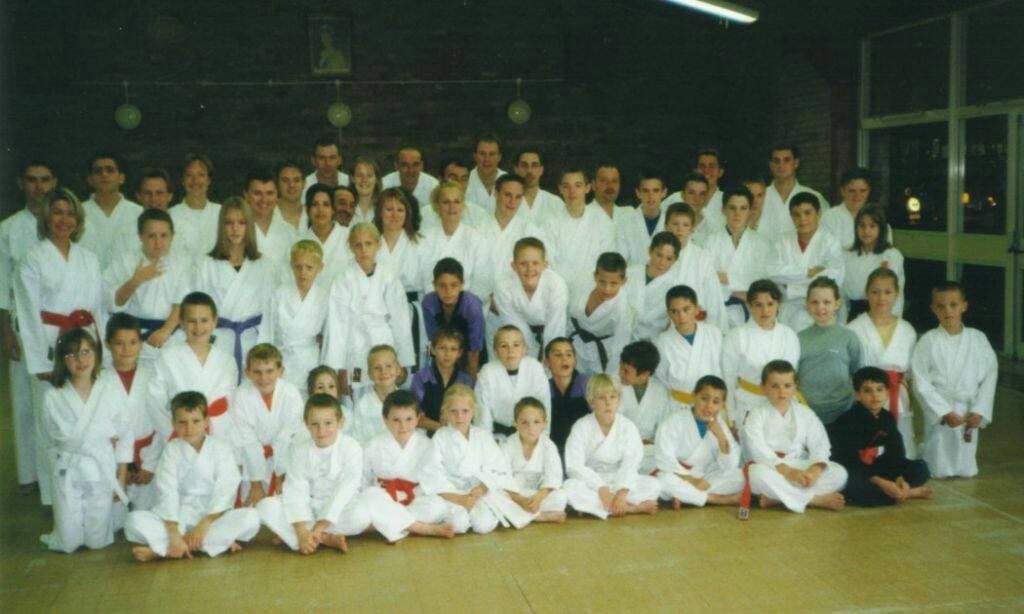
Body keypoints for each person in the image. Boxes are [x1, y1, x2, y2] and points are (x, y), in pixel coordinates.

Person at [15, 188, 103, 506]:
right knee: (50, 421)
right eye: (56, 212)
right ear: (45, 217)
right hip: (50, 343)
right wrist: (40, 362)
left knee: (84, 414)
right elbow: (26, 312)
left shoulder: (88, 259)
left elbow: (98, 309)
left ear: (77, 219)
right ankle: (55, 497)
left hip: (85, 343)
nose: (63, 220)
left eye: (69, 213)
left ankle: (89, 489)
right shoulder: (31, 261)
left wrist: (99, 349)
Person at [125, 391, 260, 561]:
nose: (189, 428)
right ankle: (203, 544)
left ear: (206, 422)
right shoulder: (171, 449)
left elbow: (226, 490)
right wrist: (173, 532)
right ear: (173, 423)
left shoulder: (222, 448)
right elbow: (167, 491)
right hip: (178, 514)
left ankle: (164, 550)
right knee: (133, 520)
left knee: (251, 518)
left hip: (211, 515)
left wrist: (205, 523)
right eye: (182, 422)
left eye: (196, 421)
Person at [41, 329, 131, 553]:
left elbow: (126, 431)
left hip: (99, 463)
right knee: (69, 536)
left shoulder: (109, 388)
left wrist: (121, 473)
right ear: (62, 360)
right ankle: (66, 534)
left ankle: (97, 534)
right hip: (67, 464)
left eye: (85, 352)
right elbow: (47, 434)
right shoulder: (53, 395)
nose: (80, 360)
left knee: (97, 534)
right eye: (71, 355)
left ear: (97, 354)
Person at [1, 159, 57, 494]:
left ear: (54, 182)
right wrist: (6, 330)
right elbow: (2, 283)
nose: (39, 186)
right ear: (21, 183)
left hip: (56, 325)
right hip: (21, 324)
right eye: (32, 180)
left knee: (53, 402)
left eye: (45, 180)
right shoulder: (8, 228)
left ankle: (53, 470)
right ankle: (29, 475)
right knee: (24, 400)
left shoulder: (62, 223)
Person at [256, 393, 368, 554]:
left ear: (340, 422)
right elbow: (295, 488)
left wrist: (319, 527)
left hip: (339, 507)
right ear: (306, 425)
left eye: (328, 423)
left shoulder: (351, 447)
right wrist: (301, 530)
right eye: (314, 424)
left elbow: (345, 489)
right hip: (308, 505)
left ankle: (307, 537)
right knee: (265, 507)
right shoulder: (299, 448)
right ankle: (323, 539)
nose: (321, 430)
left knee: (361, 517)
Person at [911, 282, 998, 478]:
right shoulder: (928, 340)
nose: (947, 311)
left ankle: (964, 466)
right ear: (933, 309)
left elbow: (990, 377)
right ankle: (933, 463)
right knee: (938, 462)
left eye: (953, 304)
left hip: (968, 407)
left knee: (965, 465)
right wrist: (944, 412)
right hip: (942, 406)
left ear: (964, 306)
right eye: (940, 306)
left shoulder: (978, 338)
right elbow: (920, 381)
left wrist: (979, 410)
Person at [420, 384, 533, 534]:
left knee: (483, 526)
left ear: (473, 412)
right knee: (458, 525)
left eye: (465, 411)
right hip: (452, 494)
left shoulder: (483, 436)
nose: (459, 416)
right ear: (445, 412)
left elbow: (497, 467)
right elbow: (433, 473)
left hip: (479, 491)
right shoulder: (441, 437)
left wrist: (481, 488)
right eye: (453, 411)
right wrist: (459, 499)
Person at [742, 360, 847, 515]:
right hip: (773, 467)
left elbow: (821, 444)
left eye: (787, 385)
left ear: (795, 386)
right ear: (763, 387)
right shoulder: (756, 414)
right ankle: (814, 500)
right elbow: (757, 450)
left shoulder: (805, 412)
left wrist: (814, 471)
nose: (781, 391)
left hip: (799, 464)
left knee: (840, 473)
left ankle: (780, 497)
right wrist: (789, 472)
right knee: (756, 474)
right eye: (775, 386)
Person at [322, 223, 414, 395]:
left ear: (378, 245)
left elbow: (400, 321)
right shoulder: (343, 280)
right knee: (357, 386)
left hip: (384, 343)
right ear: (350, 247)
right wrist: (340, 368)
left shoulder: (389, 277)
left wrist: (403, 360)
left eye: (368, 244)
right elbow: (338, 326)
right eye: (358, 245)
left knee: (387, 392)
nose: (363, 250)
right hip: (355, 350)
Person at [358, 390, 457, 541]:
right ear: (385, 420)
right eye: (396, 420)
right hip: (384, 497)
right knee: (369, 496)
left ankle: (381, 525)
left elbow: (432, 479)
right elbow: (363, 479)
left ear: (418, 419)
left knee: (438, 507)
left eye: (409, 419)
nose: (403, 426)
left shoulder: (427, 445)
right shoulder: (372, 445)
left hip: (414, 499)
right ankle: (422, 528)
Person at [828, 367, 933, 506]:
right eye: (867, 391)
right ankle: (908, 493)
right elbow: (849, 460)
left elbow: (895, 450)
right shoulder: (847, 420)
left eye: (880, 389)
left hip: (879, 466)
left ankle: (900, 491)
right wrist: (881, 482)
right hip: (855, 469)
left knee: (921, 468)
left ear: (887, 393)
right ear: (857, 395)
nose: (875, 395)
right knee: (864, 493)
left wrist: (899, 477)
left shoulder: (887, 417)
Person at [147, 292, 238, 448]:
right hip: (181, 434)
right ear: (181, 323)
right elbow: (155, 401)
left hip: (219, 435)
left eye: (204, 320)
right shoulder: (168, 358)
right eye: (192, 321)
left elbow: (232, 403)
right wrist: (174, 431)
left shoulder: (227, 361)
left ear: (214, 321)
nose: (198, 327)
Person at [196, 197, 275, 376]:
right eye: (229, 223)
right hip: (218, 340)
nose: (235, 228)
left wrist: (266, 346)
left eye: (241, 223)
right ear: (221, 227)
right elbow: (199, 310)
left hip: (253, 340)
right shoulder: (206, 264)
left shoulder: (263, 264)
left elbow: (270, 312)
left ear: (249, 226)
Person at [563, 374, 660, 519]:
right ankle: (631, 508)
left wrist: (621, 492)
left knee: (654, 485)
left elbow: (631, 463)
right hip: (592, 481)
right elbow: (574, 465)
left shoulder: (627, 426)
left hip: (618, 478)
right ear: (591, 402)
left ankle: (601, 508)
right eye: (602, 398)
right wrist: (601, 489)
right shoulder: (581, 427)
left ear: (618, 400)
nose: (608, 403)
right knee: (569, 488)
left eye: (612, 397)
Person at [847, 268, 918, 459]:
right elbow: (849, 367)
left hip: (896, 394)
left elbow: (911, 370)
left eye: (888, 292)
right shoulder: (853, 328)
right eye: (875, 292)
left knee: (900, 443)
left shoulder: (907, 329)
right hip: (866, 393)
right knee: (868, 442)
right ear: (866, 293)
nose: (881, 298)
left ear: (897, 294)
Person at [103, 208, 189, 365]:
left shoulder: (181, 264)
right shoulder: (125, 262)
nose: (158, 242)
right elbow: (113, 302)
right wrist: (136, 280)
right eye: (151, 236)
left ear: (172, 236)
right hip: (132, 338)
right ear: (140, 236)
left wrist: (165, 332)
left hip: (171, 336)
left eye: (164, 235)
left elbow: (181, 303)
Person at [232, 343, 305, 507]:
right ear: (247, 372)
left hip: (285, 458)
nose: (263, 378)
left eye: (269, 371)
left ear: (281, 370)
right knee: (250, 506)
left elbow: (287, 437)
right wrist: (256, 483)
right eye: (257, 372)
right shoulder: (241, 395)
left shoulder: (290, 393)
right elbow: (247, 440)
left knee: (288, 503)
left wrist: (280, 474)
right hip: (249, 459)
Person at [721, 280, 800, 431]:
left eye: (770, 304)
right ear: (750, 306)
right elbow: (728, 381)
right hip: (749, 403)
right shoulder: (736, 336)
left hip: (783, 404)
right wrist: (730, 417)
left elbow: (791, 376)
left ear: (779, 305)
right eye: (758, 305)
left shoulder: (790, 336)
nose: (765, 311)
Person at [654, 375, 742, 508]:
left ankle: (686, 496)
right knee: (663, 480)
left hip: (705, 478)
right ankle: (714, 499)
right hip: (680, 476)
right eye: (704, 399)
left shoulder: (720, 425)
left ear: (722, 405)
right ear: (694, 396)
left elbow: (730, 466)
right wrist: (691, 480)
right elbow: (663, 457)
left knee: (740, 476)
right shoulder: (675, 421)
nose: (709, 406)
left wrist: (721, 438)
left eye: (716, 402)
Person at [103, 314, 160, 512]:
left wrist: (150, 465)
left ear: (141, 344)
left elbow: (161, 426)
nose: (126, 349)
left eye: (133, 342)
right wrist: (120, 469)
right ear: (107, 344)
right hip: (110, 460)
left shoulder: (153, 378)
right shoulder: (99, 380)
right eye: (119, 343)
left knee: (148, 514)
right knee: (113, 521)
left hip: (147, 456)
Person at [258, 240, 329, 393]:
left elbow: (329, 334)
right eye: (298, 267)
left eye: (309, 267)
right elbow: (266, 332)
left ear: (320, 268)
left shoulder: (325, 297)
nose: (303, 272)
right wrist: (264, 364)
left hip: (310, 361)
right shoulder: (279, 294)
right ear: (291, 266)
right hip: (282, 361)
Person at [767, 192, 844, 331]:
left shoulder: (830, 242)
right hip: (787, 313)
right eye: (796, 214)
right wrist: (808, 272)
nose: (802, 219)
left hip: (821, 311)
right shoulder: (782, 241)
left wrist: (790, 287)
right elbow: (773, 272)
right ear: (791, 217)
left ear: (819, 213)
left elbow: (833, 278)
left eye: (807, 213)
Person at [476, 174, 548, 310]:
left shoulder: (530, 230)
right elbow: (470, 269)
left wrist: (518, 297)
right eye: (507, 195)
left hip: (519, 304)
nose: (512, 202)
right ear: (496, 194)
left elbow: (541, 268)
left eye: (518, 197)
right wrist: (487, 298)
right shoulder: (478, 229)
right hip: (485, 305)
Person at [797, 277, 862, 426]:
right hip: (806, 411)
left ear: (837, 304)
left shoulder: (849, 337)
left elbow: (857, 373)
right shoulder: (799, 338)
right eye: (814, 302)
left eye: (826, 302)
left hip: (842, 412)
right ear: (807, 304)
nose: (820, 307)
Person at [704, 186, 772, 328]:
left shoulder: (762, 243)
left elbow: (763, 281)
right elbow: (706, 279)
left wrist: (725, 278)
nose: (737, 214)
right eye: (732, 208)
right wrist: (738, 292)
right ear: (723, 210)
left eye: (743, 208)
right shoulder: (710, 241)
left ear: (751, 211)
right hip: (717, 312)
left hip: (752, 313)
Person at [494, 237, 569, 360]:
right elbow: (516, 328)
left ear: (545, 264)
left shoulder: (556, 285)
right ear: (514, 266)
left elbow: (555, 329)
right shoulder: (503, 287)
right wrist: (531, 361)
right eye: (523, 264)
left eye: (535, 263)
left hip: (552, 330)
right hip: (521, 337)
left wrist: (549, 360)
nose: (530, 269)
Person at [374, 188, 425, 365]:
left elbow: (428, 285)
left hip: (409, 310)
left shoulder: (420, 243)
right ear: (380, 212)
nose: (394, 214)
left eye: (400, 209)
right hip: (376, 311)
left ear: (407, 214)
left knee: (406, 364)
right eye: (389, 209)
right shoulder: (370, 244)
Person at [548, 168, 615, 299]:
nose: (572, 192)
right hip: (559, 293)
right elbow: (548, 262)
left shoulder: (603, 222)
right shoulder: (549, 223)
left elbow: (607, 261)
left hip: (593, 292)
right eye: (566, 186)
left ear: (588, 188)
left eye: (578, 185)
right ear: (560, 189)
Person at [653, 285, 723, 408]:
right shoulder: (661, 342)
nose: (681, 317)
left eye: (686, 309)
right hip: (678, 405)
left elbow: (726, 370)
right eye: (675, 311)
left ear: (697, 309)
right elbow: (660, 379)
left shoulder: (714, 334)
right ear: (668, 313)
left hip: (712, 406)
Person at [502, 397, 568, 523]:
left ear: (545, 423)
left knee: (561, 497)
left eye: (536, 422)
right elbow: (502, 477)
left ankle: (522, 516)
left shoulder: (548, 446)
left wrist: (538, 498)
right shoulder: (508, 445)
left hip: (537, 494)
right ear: (515, 423)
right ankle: (540, 516)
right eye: (524, 422)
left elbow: (553, 477)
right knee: (494, 496)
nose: (531, 427)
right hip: (515, 495)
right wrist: (519, 499)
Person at [476, 325, 551, 437]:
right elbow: (483, 416)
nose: (510, 350)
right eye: (503, 346)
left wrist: (542, 439)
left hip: (531, 434)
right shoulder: (487, 372)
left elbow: (545, 408)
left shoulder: (535, 368)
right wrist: (487, 445)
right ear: (495, 351)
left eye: (516, 345)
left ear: (525, 349)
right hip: (498, 436)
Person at [663, 203, 728, 331]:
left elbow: (713, 297)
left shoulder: (702, 257)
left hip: (696, 324)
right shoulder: (658, 255)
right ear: (666, 226)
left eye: (685, 225)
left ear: (692, 228)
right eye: (675, 224)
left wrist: (716, 331)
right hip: (661, 324)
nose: (679, 229)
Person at [569, 252, 635, 375]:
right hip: (574, 348)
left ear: (624, 281)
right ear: (595, 276)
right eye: (602, 282)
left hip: (600, 358)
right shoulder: (582, 286)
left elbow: (619, 348)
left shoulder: (623, 310)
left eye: (613, 283)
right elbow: (569, 318)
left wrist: (608, 378)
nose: (607, 289)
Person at [421, 258, 485, 378]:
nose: (448, 291)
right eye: (442, 285)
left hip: (471, 352)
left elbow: (475, 349)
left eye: (454, 285)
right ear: (434, 285)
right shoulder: (429, 303)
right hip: (444, 350)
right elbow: (435, 342)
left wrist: (471, 382)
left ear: (462, 285)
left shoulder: (472, 306)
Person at [417, 180, 485, 293]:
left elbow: (482, 281)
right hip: (432, 301)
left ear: (463, 205)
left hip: (466, 303)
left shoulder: (477, 239)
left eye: (457, 202)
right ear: (437, 206)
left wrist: (461, 304)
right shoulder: (424, 238)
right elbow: (422, 278)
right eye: (446, 202)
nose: (452, 207)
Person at [615, 340, 671, 475]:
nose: (620, 373)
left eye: (626, 371)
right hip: (618, 447)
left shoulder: (660, 390)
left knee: (666, 465)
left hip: (648, 450)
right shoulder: (612, 384)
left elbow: (663, 429)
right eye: (621, 367)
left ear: (645, 374)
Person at [79, 153, 143, 268]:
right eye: (98, 171)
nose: (104, 174)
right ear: (90, 179)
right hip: (86, 281)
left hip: (128, 281)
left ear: (121, 178)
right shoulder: (77, 212)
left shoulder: (139, 213)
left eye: (110, 170)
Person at [842, 204, 904, 321]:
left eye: (872, 226)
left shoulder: (891, 255)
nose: (866, 231)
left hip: (881, 312)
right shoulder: (846, 255)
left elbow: (896, 291)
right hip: (853, 314)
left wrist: (894, 320)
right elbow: (842, 293)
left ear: (881, 229)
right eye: (862, 226)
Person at [757, 145, 830, 241]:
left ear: (796, 163)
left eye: (786, 160)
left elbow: (826, 233)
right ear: (771, 165)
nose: (781, 165)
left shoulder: (814, 197)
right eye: (776, 161)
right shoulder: (758, 196)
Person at [410, 328, 474, 436]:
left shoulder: (465, 380)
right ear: (433, 349)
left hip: (457, 432)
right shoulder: (421, 377)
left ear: (460, 353)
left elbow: (470, 414)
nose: (447, 353)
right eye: (442, 348)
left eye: (453, 349)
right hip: (425, 432)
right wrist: (443, 429)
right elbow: (415, 416)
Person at [624, 232, 681, 340]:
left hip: (651, 341)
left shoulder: (675, 286)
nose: (662, 262)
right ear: (650, 251)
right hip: (619, 335)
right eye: (659, 255)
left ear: (675, 260)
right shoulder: (630, 273)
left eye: (669, 259)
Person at [821, 167, 891, 250]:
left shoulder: (878, 217)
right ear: (842, 191)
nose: (857, 196)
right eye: (851, 191)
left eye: (863, 191)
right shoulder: (829, 217)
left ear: (869, 191)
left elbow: (886, 253)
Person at [169, 153, 221, 262]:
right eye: (189, 175)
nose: (195, 181)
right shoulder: (170, 216)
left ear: (209, 180)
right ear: (182, 180)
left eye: (201, 175)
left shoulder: (222, 213)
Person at [545, 337, 590, 461]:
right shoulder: (544, 387)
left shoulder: (585, 383)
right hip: (554, 451)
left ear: (575, 361)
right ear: (547, 363)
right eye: (558, 355)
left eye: (569, 355)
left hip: (586, 450)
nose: (564, 359)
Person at [348, 345, 402, 444]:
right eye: (377, 368)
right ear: (369, 374)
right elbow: (356, 439)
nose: (383, 372)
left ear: (398, 369)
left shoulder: (407, 402)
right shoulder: (362, 405)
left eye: (389, 366)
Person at [299, 183, 350, 283]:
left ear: (333, 209)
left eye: (326, 204)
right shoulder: (298, 242)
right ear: (307, 209)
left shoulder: (349, 237)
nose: (320, 210)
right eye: (315, 204)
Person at [617, 169, 667, 267]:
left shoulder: (671, 223)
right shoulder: (625, 222)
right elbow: (620, 259)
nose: (651, 196)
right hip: (633, 279)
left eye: (656, 191)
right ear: (638, 193)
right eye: (645, 191)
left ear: (664, 193)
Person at [244, 168, 293, 266]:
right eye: (257, 193)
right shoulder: (236, 231)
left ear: (277, 195)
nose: (264, 199)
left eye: (269, 193)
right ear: (246, 195)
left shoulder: (290, 233)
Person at [512, 150, 563, 224]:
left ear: (541, 170)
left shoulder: (555, 202)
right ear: (516, 169)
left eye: (534, 165)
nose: (529, 170)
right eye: (524, 165)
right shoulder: (507, 201)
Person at [465, 134, 507, 212]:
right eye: (482, 154)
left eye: (492, 154)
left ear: (499, 157)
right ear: (475, 156)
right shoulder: (465, 180)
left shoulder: (509, 181)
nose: (487, 159)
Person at [303, 136, 350, 201]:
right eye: (321, 158)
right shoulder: (304, 186)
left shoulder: (349, 183)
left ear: (339, 160)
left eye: (332, 157)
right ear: (313, 161)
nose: (327, 163)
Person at [273, 161, 309, 232]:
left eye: (296, 180)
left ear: (304, 183)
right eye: (285, 180)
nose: (291, 185)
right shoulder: (268, 213)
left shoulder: (312, 214)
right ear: (277, 184)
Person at [351, 157, 383, 225]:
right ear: (352, 179)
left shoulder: (384, 208)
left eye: (369, 176)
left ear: (376, 180)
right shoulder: (345, 208)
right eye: (359, 175)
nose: (364, 180)